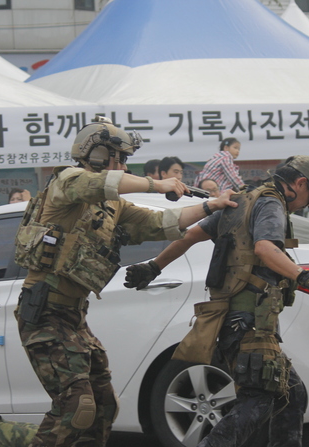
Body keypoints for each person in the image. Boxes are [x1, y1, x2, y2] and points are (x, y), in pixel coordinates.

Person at [13, 116, 236, 447]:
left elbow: (162, 222)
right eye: (120, 157)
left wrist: (210, 205)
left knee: (104, 405)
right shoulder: (67, 182)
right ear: (100, 155)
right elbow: (98, 183)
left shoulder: (113, 205)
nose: (124, 165)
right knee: (77, 406)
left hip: (74, 316)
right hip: (44, 312)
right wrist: (156, 184)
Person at [123, 155, 309, 447]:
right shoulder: (271, 204)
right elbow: (264, 248)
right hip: (249, 321)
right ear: (300, 183)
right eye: (307, 198)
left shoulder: (242, 201)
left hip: (236, 320)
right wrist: (303, 276)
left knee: (291, 393)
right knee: (259, 399)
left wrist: (154, 266)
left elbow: (191, 236)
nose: (303, 205)